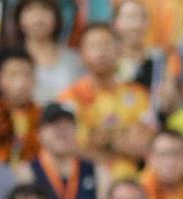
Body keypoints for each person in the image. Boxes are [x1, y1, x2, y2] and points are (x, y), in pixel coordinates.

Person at [57, 22, 154, 176]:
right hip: (84, 180)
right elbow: (71, 146)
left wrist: (101, 139)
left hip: (131, 181)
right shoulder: (69, 97)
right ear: (81, 54)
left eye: (106, 45)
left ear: (119, 50)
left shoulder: (138, 94)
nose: (100, 52)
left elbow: (144, 144)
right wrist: (121, 136)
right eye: (93, 46)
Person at [22, 102, 105, 199]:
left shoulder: (96, 171)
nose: (61, 131)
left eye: (67, 125)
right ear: (39, 134)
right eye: (54, 125)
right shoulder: (27, 173)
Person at [11, 0, 83, 105]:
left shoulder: (75, 59)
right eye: (30, 9)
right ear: (18, 18)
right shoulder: (9, 60)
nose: (38, 17)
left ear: (56, 17)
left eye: (45, 8)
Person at [0, 49, 41, 166]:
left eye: (26, 75)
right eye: (13, 75)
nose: (21, 82)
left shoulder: (42, 116)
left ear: (34, 80)